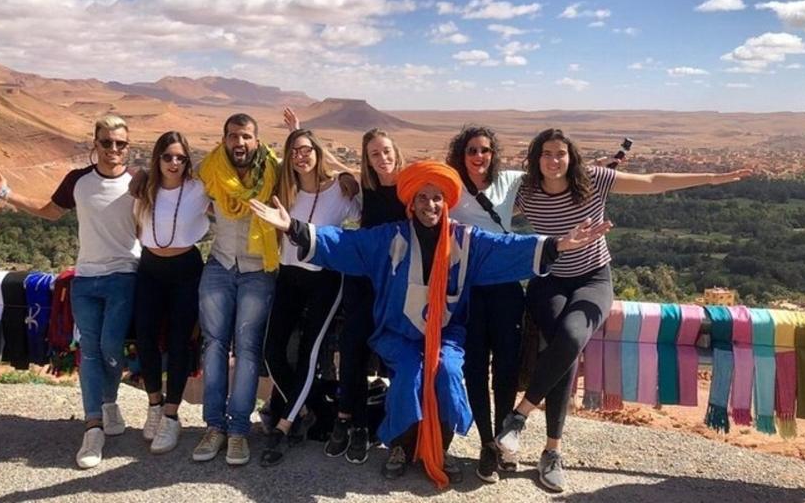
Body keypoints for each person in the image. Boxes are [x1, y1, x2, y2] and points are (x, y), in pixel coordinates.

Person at [249, 160, 612, 488]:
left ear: (446, 202)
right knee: (409, 374)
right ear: (412, 202)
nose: (430, 205)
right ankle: (400, 446)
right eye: (422, 198)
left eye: (437, 198)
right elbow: (347, 242)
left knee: (448, 373)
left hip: (446, 334)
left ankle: (440, 449)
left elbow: (508, 248)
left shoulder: (465, 241)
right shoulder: (389, 238)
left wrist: (557, 245)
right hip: (398, 333)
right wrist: (294, 228)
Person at [496, 127, 752, 492]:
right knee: (564, 348)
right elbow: (489, 208)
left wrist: (711, 178)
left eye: (560, 153)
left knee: (570, 336)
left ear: (571, 157)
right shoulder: (528, 193)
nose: (554, 160)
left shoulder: (593, 180)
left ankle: (520, 419)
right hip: (549, 282)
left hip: (593, 279)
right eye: (546, 154)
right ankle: (551, 451)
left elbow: (652, 181)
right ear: (535, 159)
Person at [0, 114, 140, 470]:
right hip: (86, 279)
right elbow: (49, 212)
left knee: (111, 347)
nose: (113, 149)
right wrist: (5, 194)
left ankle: (109, 403)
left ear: (128, 147)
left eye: (120, 143)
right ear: (95, 144)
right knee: (89, 352)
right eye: (106, 142)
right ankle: (93, 427)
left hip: (125, 277)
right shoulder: (78, 181)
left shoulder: (138, 182)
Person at [259, 129, 361, 467]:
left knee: (309, 352)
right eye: (294, 151)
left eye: (306, 150)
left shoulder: (341, 189)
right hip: (289, 274)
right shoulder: (285, 190)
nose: (300, 157)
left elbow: (364, 212)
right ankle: (305, 409)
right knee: (271, 350)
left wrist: (345, 173)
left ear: (318, 152)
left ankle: (284, 427)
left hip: (326, 278)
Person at [191, 113, 280, 466]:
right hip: (220, 265)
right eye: (232, 136)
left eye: (245, 136)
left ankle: (239, 429)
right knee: (214, 346)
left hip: (259, 270)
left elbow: (314, 177)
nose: (239, 142)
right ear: (224, 139)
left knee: (247, 349)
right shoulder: (210, 168)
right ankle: (215, 427)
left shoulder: (275, 171)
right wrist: (141, 180)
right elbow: (171, 182)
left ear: (256, 140)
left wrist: (346, 178)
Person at [445, 125, 525, 483]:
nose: (479, 157)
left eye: (485, 150)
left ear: (494, 154)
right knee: (475, 368)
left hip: (506, 287)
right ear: (461, 155)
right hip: (469, 289)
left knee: (506, 367)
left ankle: (505, 438)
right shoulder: (451, 186)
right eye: (472, 150)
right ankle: (486, 444)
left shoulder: (509, 180)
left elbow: (555, 177)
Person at [325, 128, 406, 464]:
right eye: (375, 154)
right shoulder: (365, 188)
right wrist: (298, 132)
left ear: (396, 151)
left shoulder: (411, 187)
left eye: (386, 151)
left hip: (398, 282)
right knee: (353, 346)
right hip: (364, 277)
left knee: (398, 352)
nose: (382, 158)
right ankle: (353, 423)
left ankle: (399, 430)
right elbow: (331, 163)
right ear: (367, 160)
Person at [133, 131, 210, 454]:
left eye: (180, 157)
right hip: (150, 268)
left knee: (180, 342)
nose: (174, 163)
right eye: (168, 157)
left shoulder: (199, 188)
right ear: (158, 158)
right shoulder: (144, 187)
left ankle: (171, 415)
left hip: (186, 270)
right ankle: (154, 403)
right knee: (145, 336)